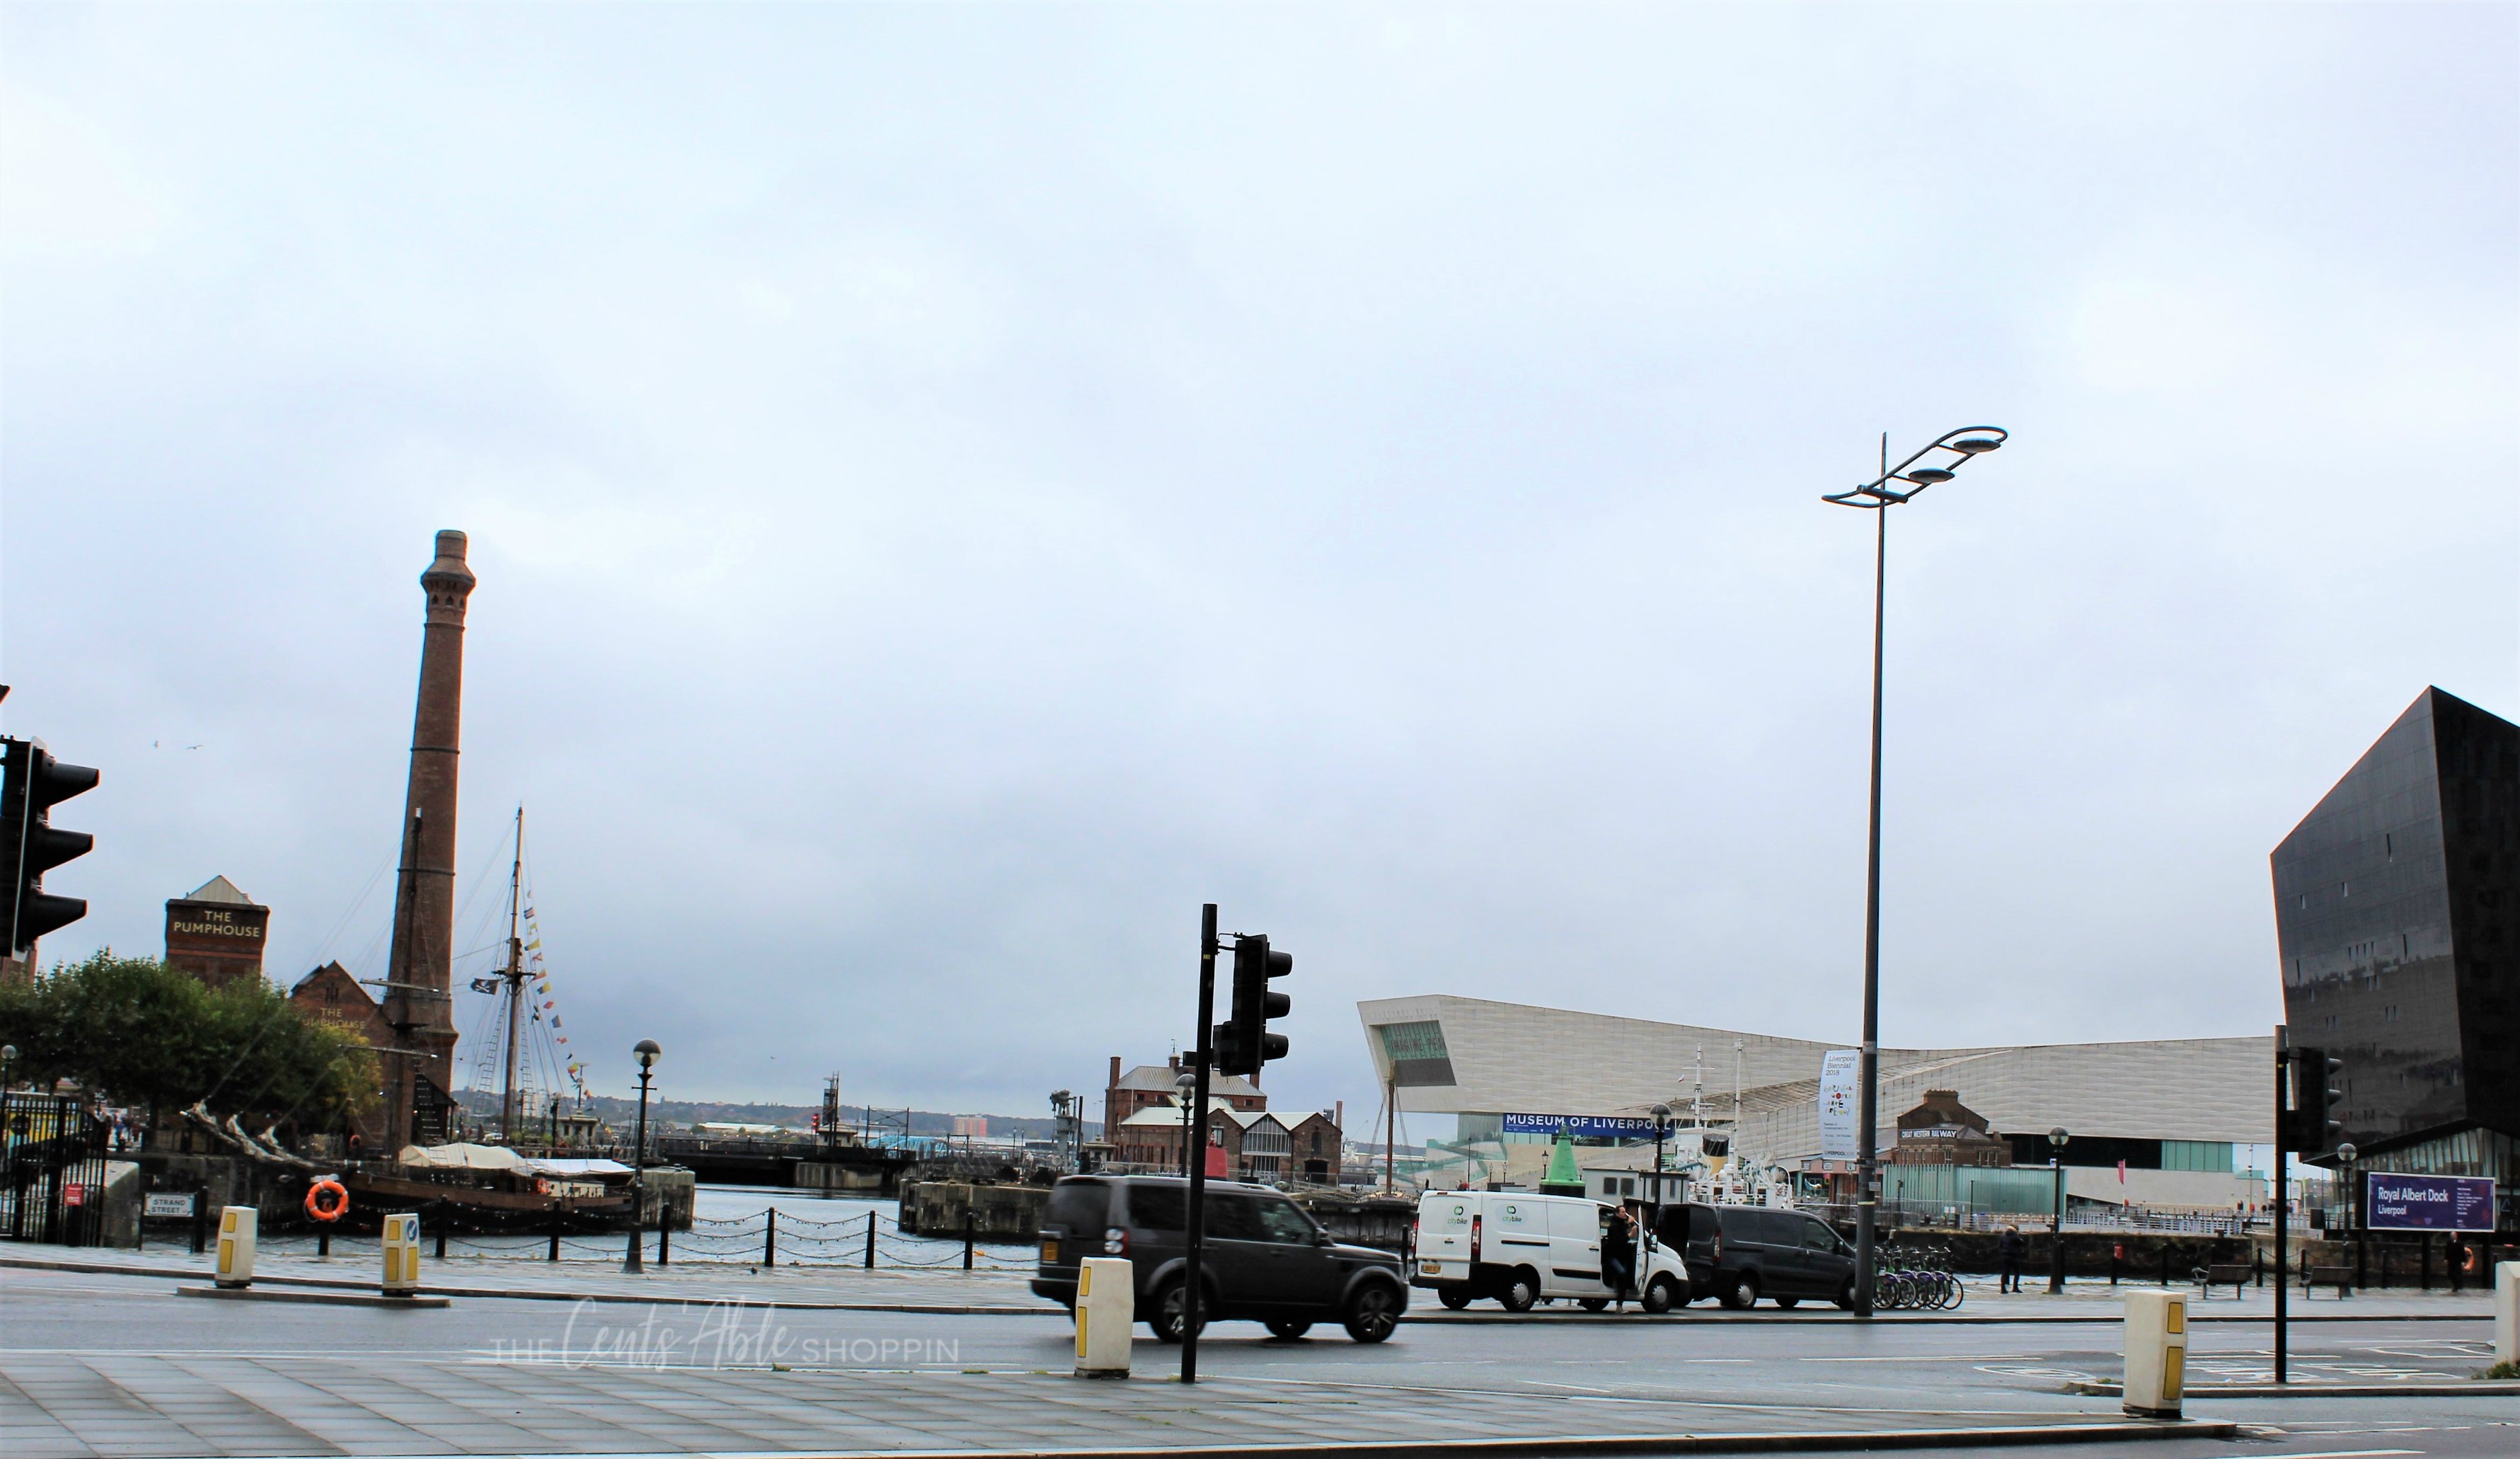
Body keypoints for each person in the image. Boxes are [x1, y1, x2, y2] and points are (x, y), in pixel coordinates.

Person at [1997, 1224, 2025, 1293]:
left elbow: (2000, 1246)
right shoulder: (2015, 1237)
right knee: (2017, 1272)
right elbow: (2022, 1243)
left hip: (2004, 1256)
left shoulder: (2002, 1236)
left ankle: (2003, 1289)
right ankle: (2015, 1287)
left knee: (2004, 1273)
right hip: (2013, 1256)